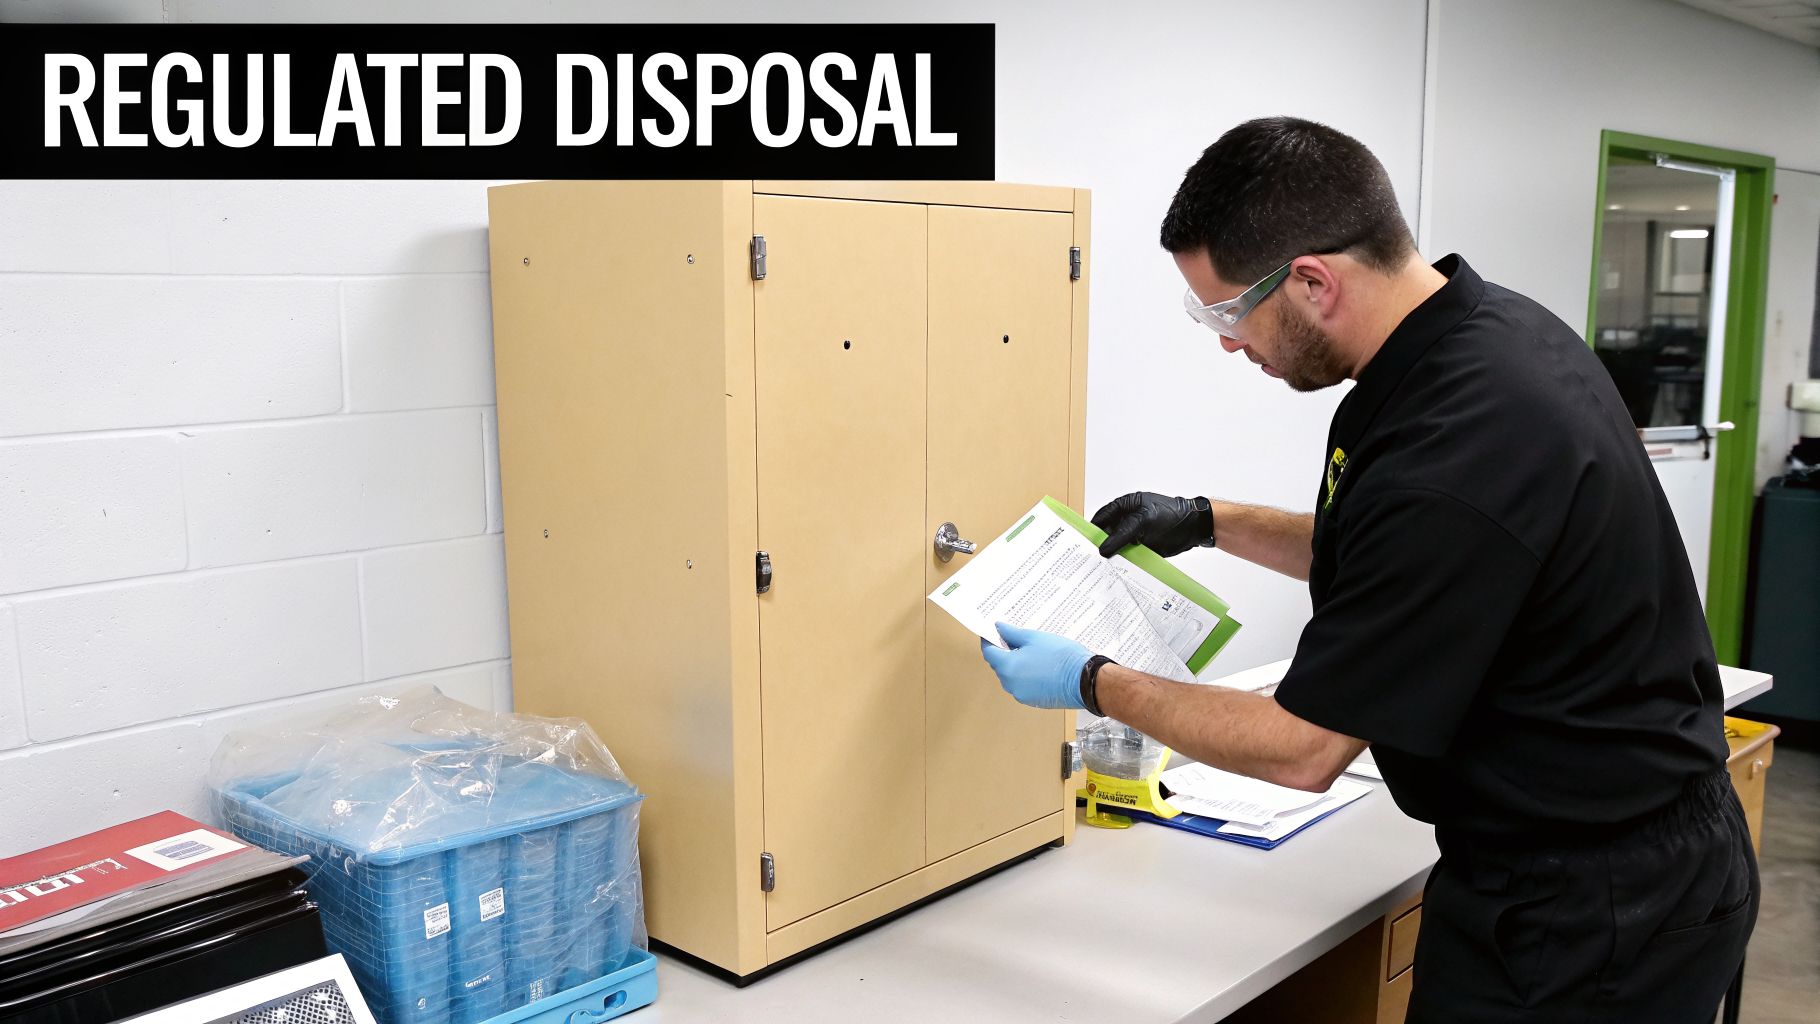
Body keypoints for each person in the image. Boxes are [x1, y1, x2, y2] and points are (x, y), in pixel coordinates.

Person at [977, 117, 1757, 1022]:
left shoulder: (1455, 443)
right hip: (1614, 856)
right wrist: (1207, 521)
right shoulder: (1479, 338)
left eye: (1228, 312)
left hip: (1592, 905)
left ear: (1312, 281)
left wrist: (1091, 680)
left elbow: (1305, 748)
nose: (1228, 344)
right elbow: (1402, 553)